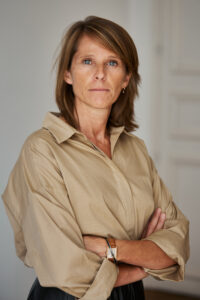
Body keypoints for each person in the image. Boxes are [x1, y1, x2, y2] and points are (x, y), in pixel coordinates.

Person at [2, 16, 189, 300]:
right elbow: (64, 268)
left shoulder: (135, 149)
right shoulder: (41, 150)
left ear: (126, 78)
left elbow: (178, 240)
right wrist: (143, 264)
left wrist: (109, 247)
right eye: (87, 61)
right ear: (68, 73)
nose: (100, 73)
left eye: (112, 62)